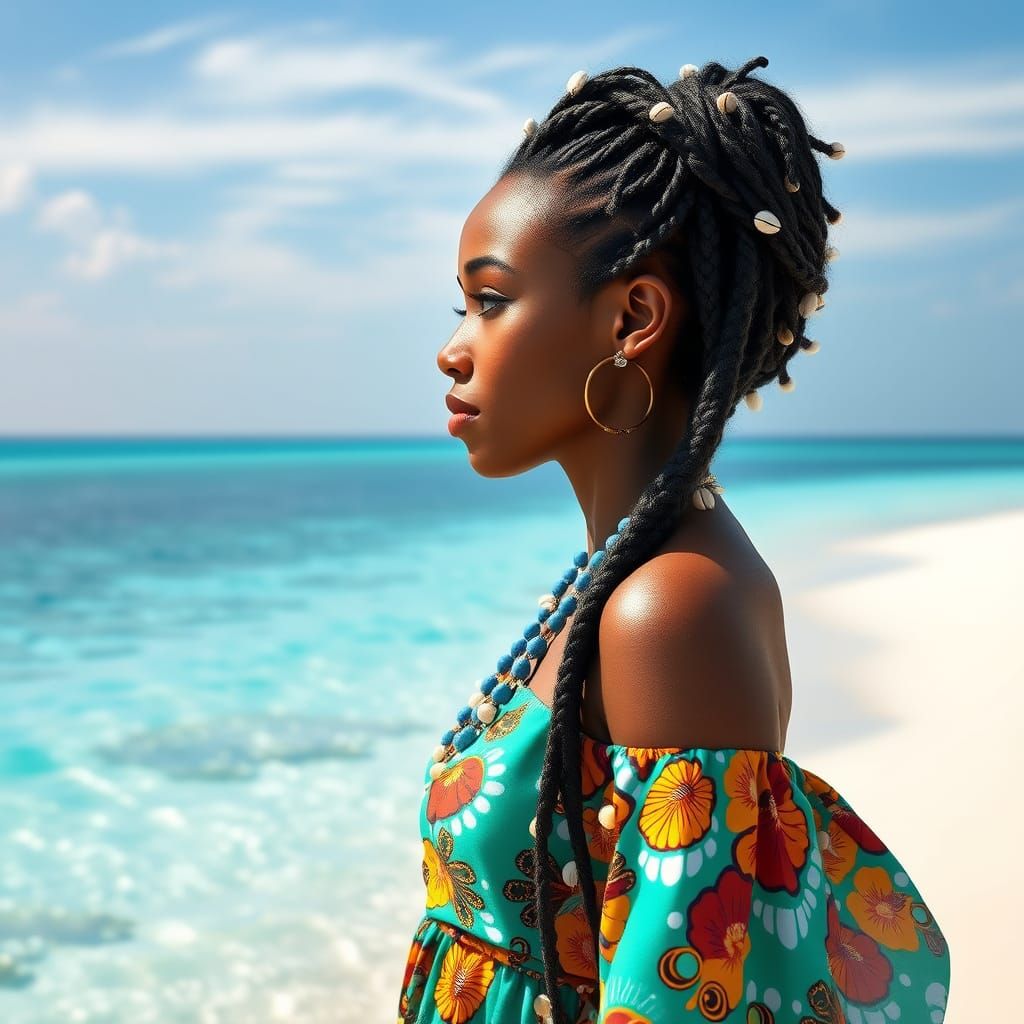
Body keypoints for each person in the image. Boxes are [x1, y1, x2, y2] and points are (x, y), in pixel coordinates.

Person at [397, 56, 951, 1024]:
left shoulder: (667, 608)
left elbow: (686, 996)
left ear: (633, 318)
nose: (453, 346)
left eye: (488, 300)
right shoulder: (636, 580)